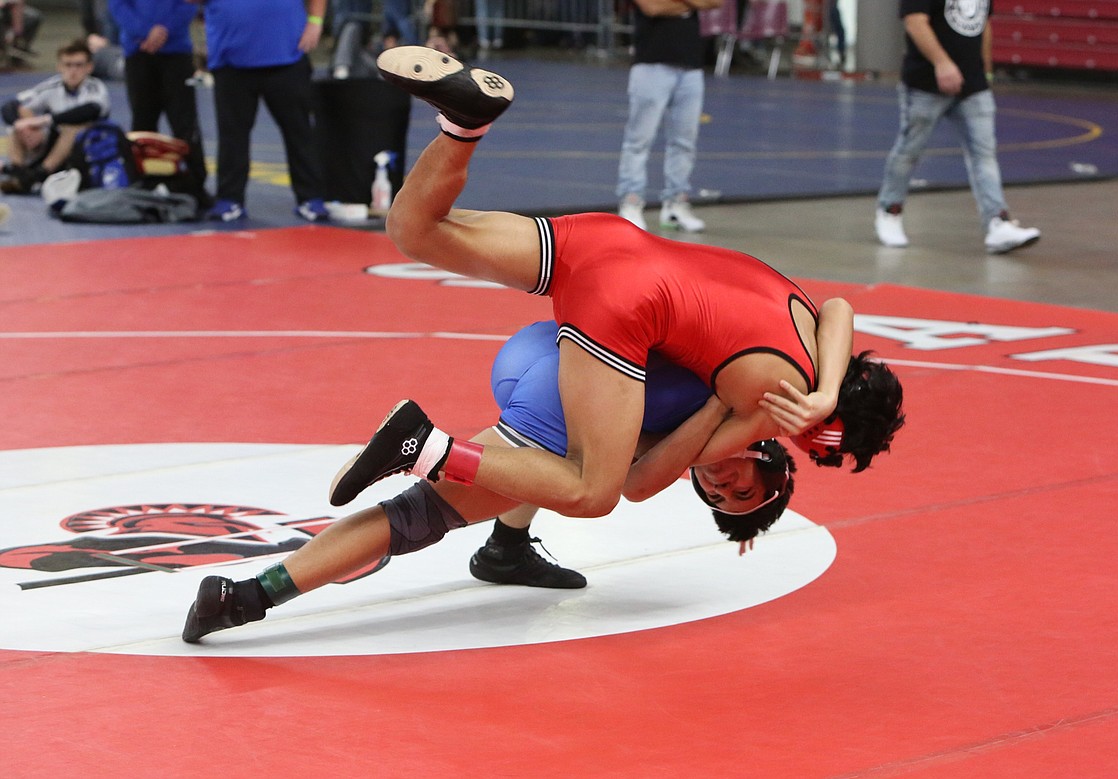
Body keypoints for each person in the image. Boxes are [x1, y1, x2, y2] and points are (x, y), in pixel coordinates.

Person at [328, 47, 903, 524]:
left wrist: (828, 389)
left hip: (610, 243)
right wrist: (737, 411)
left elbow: (840, 306)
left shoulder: (811, 322)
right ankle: (425, 447)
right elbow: (641, 482)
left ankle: (464, 124)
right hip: (624, 302)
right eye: (814, 446)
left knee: (415, 231)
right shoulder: (779, 406)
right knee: (590, 490)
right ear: (825, 431)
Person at [182, 319, 798, 642]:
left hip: (538, 351)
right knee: (418, 519)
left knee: (573, 470)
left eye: (716, 495)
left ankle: (506, 547)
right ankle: (249, 596)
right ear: (769, 459)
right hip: (558, 393)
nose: (720, 480)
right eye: (741, 486)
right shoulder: (750, 407)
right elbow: (634, 484)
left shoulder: (735, 396)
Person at [874, 0, 1040, 255]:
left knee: (984, 154)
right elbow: (915, 22)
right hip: (926, 85)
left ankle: (997, 222)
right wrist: (942, 63)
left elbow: (983, 24)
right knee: (910, 150)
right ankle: (890, 210)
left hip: (973, 86)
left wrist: (985, 71)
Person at [197, 0, 330, 222]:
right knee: (232, 135)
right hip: (232, 58)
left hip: (286, 54)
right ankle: (230, 199)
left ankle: (310, 197)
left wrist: (315, 21)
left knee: (299, 131)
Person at [616, 0, 720, 233]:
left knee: (684, 141)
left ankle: (676, 202)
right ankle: (631, 200)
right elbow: (652, 7)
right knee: (639, 139)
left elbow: (716, 1)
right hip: (651, 63)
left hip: (690, 66)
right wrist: (692, 5)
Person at [107, 0, 212, 207]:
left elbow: (190, 3)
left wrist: (164, 30)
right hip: (138, 51)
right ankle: (142, 182)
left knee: (185, 122)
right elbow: (117, 4)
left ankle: (195, 184)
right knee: (142, 120)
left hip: (176, 52)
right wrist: (146, 32)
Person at [0, 38, 110, 194]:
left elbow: (92, 110)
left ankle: (37, 175)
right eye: (68, 65)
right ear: (59, 67)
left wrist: (45, 120)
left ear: (89, 67)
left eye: (79, 65)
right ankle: (19, 172)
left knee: (73, 129)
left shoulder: (95, 88)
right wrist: (23, 125)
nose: (73, 71)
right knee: (19, 122)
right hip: (54, 144)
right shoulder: (52, 86)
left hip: (88, 148)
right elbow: (10, 105)